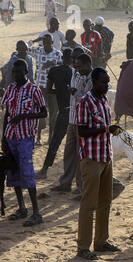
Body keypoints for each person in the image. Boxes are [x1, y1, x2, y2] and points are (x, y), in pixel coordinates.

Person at [75, 68, 122, 260]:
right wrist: (105, 129)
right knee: (88, 203)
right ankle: (83, 247)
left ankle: (101, 242)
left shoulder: (103, 100)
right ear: (94, 82)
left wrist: (111, 130)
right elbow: (82, 131)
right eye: (103, 82)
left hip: (105, 156)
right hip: (91, 158)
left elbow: (103, 128)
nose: (107, 85)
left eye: (108, 82)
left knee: (105, 202)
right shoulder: (85, 102)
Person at [1, 59, 48, 226]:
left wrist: (24, 116)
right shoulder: (11, 89)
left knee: (27, 173)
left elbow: (44, 113)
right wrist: (3, 137)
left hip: (26, 137)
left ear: (26, 72)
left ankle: (36, 212)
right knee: (13, 171)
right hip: (10, 137)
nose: (16, 75)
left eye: (19, 72)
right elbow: (7, 113)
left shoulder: (34, 90)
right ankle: (22, 208)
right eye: (14, 72)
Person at [50, 51, 89, 194]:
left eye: (75, 59)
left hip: (82, 121)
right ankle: (65, 183)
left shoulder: (87, 75)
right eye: (72, 59)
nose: (72, 61)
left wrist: (75, 92)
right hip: (72, 118)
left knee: (80, 155)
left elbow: (87, 98)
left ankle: (80, 187)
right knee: (68, 153)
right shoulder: (74, 72)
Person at [35, 49, 73, 179]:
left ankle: (44, 170)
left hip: (63, 111)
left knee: (55, 142)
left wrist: (60, 92)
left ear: (62, 57)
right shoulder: (74, 73)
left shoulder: (53, 71)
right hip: (75, 112)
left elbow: (49, 90)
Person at [28, 34, 62, 145]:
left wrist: (53, 63)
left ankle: (50, 137)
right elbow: (24, 47)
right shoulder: (38, 51)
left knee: (53, 113)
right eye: (45, 42)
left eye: (49, 42)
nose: (47, 44)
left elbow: (65, 65)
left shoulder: (57, 54)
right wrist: (32, 41)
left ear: (52, 43)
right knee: (39, 113)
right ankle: (38, 138)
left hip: (53, 88)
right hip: (40, 87)